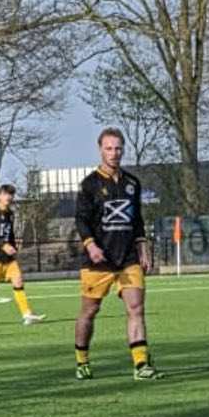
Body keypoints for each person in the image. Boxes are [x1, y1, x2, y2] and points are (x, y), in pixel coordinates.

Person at [74, 129, 158, 380]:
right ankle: (82, 360)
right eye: (109, 148)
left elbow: (137, 220)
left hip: (128, 258)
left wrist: (143, 247)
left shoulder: (132, 183)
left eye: (118, 148)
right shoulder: (89, 184)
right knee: (89, 312)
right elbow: (81, 220)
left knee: (136, 308)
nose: (114, 153)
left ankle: (141, 364)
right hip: (98, 261)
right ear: (100, 150)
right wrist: (91, 245)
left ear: (123, 150)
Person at [0, 184, 44, 328]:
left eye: (11, 194)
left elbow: (10, 233)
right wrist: (4, 245)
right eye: (6, 194)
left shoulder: (10, 213)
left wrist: (13, 245)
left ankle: (27, 315)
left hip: (8, 258)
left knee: (18, 281)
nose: (9, 197)